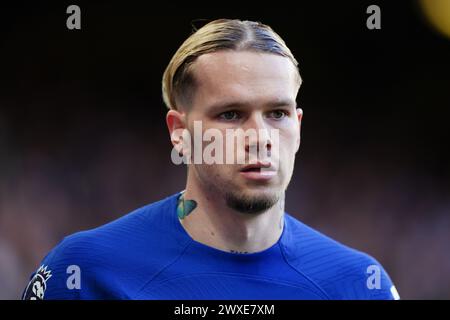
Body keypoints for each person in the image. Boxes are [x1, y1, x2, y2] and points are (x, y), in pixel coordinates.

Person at [22, 19, 399, 300]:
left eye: (277, 114)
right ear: (179, 132)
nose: (260, 138)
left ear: (298, 126)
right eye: (231, 115)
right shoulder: (85, 273)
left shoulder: (359, 284)